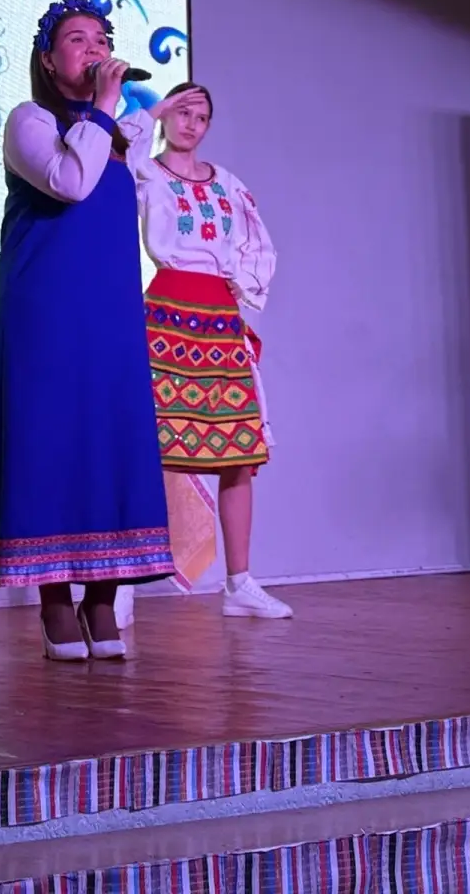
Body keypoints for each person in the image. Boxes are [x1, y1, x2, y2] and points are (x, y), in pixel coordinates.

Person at [0, 0, 175, 660]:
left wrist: (140, 116)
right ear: (47, 59)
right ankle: (55, 601)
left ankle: (102, 598)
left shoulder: (124, 132)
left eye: (102, 40)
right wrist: (104, 109)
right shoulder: (28, 121)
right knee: (48, 440)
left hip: (110, 306)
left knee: (111, 437)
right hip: (43, 307)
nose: (94, 50)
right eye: (78, 39)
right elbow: (71, 182)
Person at [133, 82, 291, 618]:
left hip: (219, 316)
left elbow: (255, 242)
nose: (190, 124)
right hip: (166, 310)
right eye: (181, 112)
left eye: (200, 116)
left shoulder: (226, 182)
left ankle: (239, 583)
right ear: (164, 116)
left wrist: (241, 285)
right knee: (145, 444)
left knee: (239, 451)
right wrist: (152, 110)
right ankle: (121, 584)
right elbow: (119, 147)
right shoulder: (145, 171)